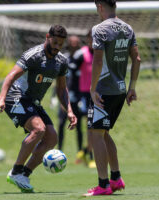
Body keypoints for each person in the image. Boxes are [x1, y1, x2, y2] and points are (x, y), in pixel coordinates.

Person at [0, 25, 77, 193]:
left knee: (52, 138)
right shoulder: (33, 55)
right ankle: (16, 171)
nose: (57, 47)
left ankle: (24, 174)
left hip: (33, 101)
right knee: (39, 129)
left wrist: (69, 110)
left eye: (60, 44)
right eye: (54, 42)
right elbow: (11, 76)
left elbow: (61, 89)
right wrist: (1, 98)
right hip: (15, 97)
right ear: (47, 37)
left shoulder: (61, 61)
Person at [83, 0, 141, 196]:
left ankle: (103, 184)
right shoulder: (128, 28)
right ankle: (116, 179)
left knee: (96, 134)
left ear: (99, 6)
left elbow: (98, 60)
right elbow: (137, 59)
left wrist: (92, 89)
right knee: (104, 133)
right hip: (120, 89)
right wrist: (132, 87)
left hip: (103, 90)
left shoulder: (99, 29)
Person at [72, 30, 96, 168]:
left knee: (96, 126)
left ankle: (85, 151)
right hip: (84, 95)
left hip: (98, 94)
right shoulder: (80, 54)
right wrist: (73, 94)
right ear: (87, 39)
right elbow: (71, 76)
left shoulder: (102, 53)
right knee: (90, 125)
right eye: (91, 38)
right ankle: (91, 157)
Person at [56, 36, 83, 155]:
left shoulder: (82, 58)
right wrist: (55, 96)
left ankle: (80, 153)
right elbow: (59, 80)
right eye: (71, 43)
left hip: (78, 96)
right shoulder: (63, 58)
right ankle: (59, 150)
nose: (73, 45)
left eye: (76, 43)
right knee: (61, 123)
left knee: (80, 124)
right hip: (65, 96)